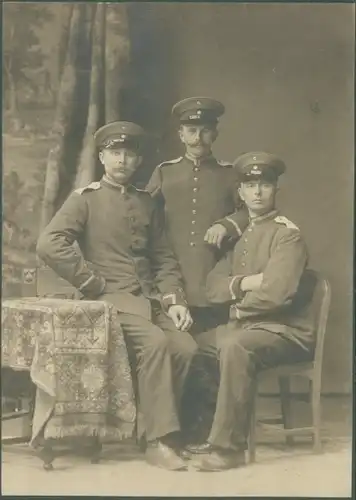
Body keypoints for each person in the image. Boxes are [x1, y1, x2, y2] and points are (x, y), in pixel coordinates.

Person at [36, 121, 198, 471]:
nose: (122, 160)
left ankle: (160, 432)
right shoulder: (86, 200)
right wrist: (91, 282)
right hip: (110, 302)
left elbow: (163, 258)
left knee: (187, 347)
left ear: (138, 160)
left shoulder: (147, 203)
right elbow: (49, 243)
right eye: (114, 153)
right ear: (102, 157)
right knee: (155, 343)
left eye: (129, 154)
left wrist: (175, 300)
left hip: (150, 301)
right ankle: (158, 443)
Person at [186, 152, 316, 471]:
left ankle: (228, 448)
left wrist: (236, 311)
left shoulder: (287, 234)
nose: (258, 192)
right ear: (241, 193)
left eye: (265, 185)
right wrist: (246, 282)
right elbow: (212, 286)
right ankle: (203, 431)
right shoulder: (243, 235)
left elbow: (277, 294)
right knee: (194, 347)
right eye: (250, 185)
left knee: (235, 347)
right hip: (250, 328)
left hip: (285, 332)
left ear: (275, 191)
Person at [146, 97, 249, 334]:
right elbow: (144, 215)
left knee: (213, 347)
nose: (197, 138)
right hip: (170, 272)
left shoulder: (230, 173)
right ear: (181, 134)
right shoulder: (164, 172)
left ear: (215, 135)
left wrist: (227, 225)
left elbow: (249, 211)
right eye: (191, 131)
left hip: (212, 272)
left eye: (205, 131)